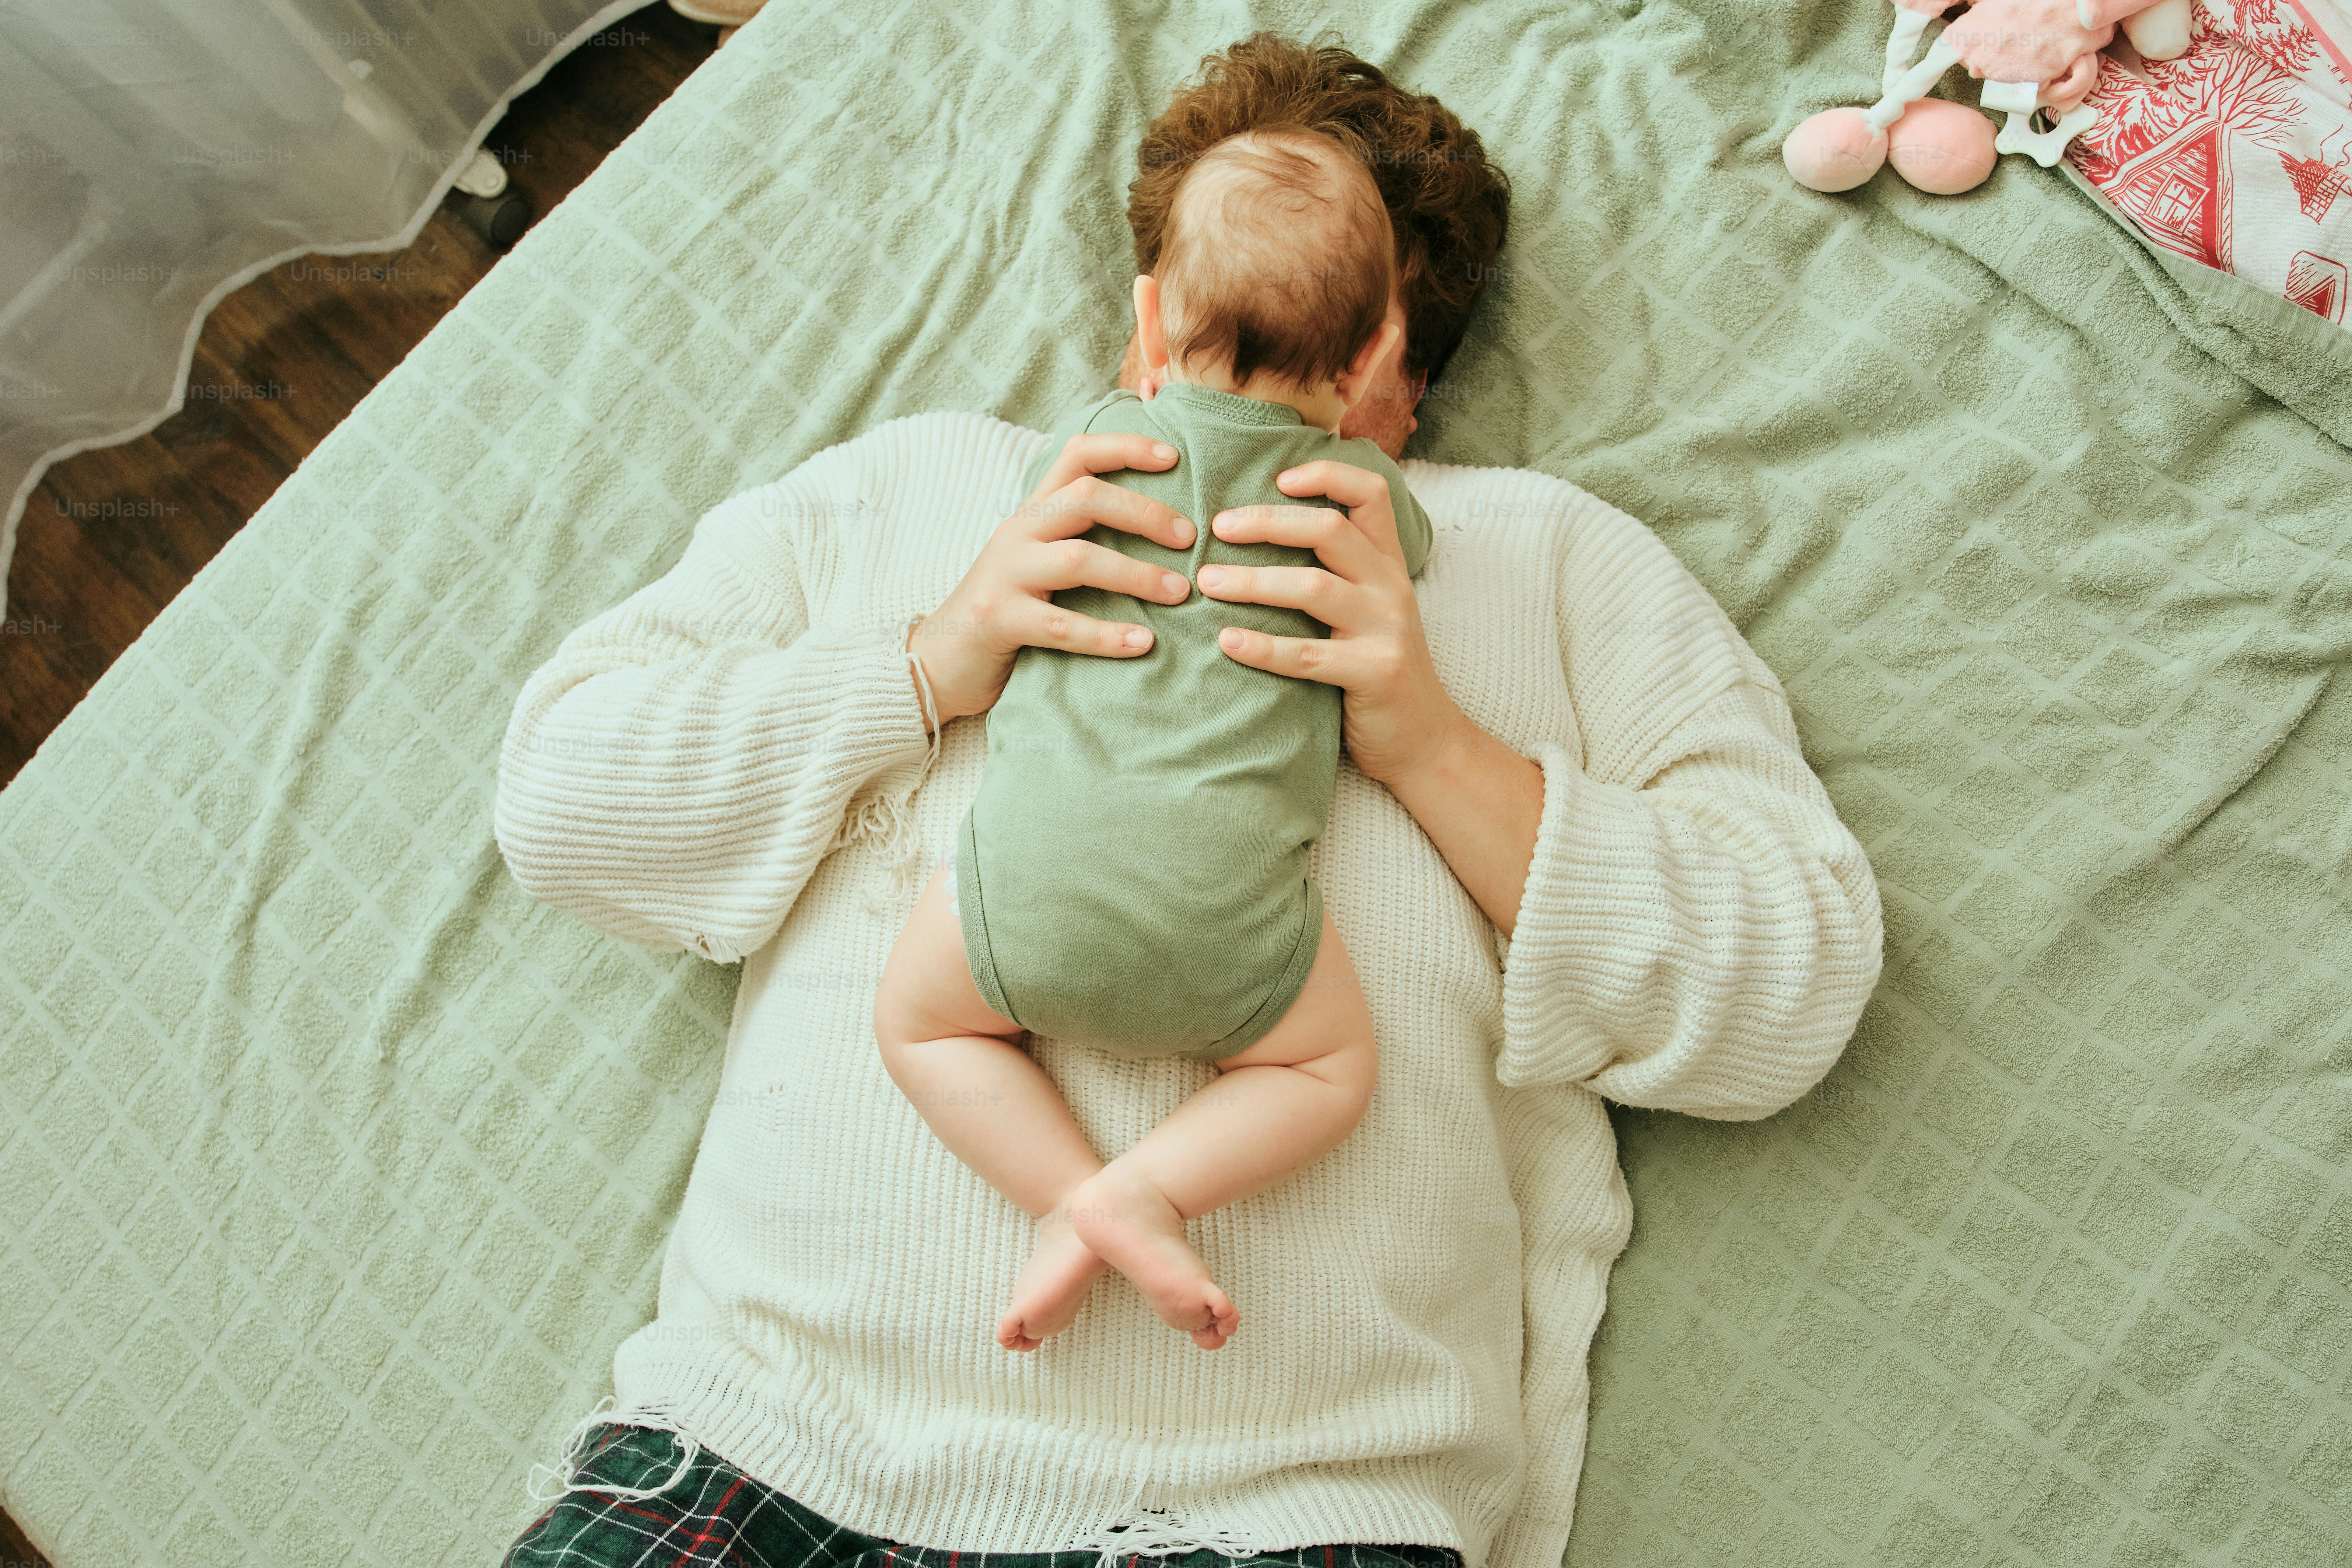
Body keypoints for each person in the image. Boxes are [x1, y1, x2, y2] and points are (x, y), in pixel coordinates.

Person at [492, 33, 1882, 1568]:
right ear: (1142, 321)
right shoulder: (922, 483)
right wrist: (929, 661)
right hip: (757, 1450)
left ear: (1401, 378)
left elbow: (1793, 988)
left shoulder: (1548, 557)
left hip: (1285, 1510)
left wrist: (1434, 746)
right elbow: (561, 801)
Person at [871, 123, 1435, 1357]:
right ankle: (1142, 1192)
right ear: (1375, 357)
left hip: (1018, 896)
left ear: (1148, 318)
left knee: (920, 1025)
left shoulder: (1088, 449)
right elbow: (1413, 553)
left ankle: (1064, 1196)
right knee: (1328, 1070)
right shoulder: (1362, 502)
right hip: (1231, 929)